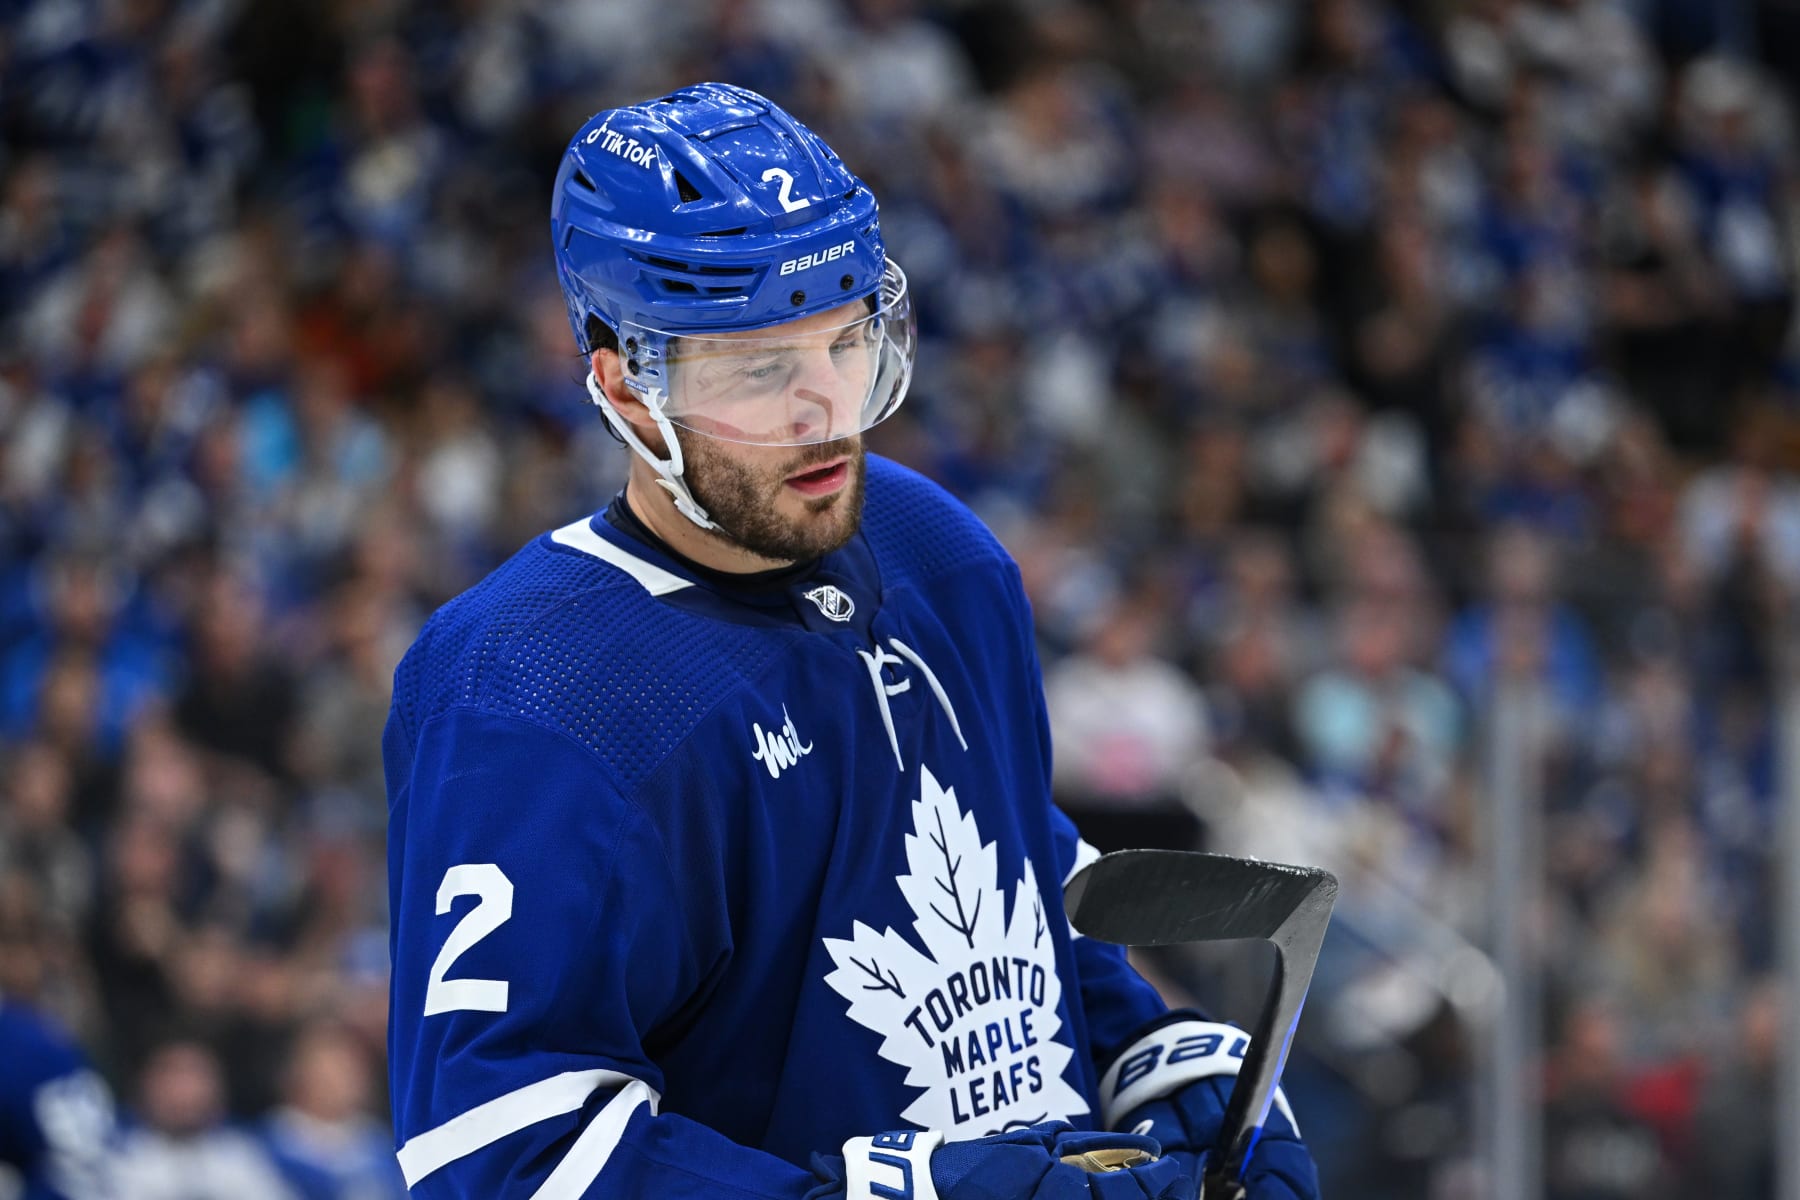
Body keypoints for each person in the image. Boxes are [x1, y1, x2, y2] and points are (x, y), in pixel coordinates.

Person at [383, 82, 1319, 1200]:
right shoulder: (529, 690)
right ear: (626, 383)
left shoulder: (939, 551)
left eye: (843, 343)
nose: (824, 411)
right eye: (760, 369)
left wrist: (1147, 1057)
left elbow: (1012, 858)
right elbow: (503, 1150)